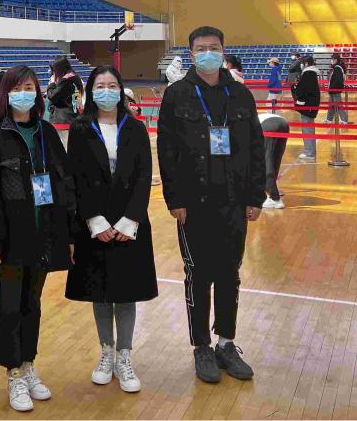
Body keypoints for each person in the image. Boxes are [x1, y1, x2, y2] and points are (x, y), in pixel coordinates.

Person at [156, 26, 265, 385]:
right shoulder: (177, 95)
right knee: (198, 275)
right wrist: (174, 199)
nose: (208, 53)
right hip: (194, 203)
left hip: (234, 201)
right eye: (201, 48)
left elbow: (255, 147)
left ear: (223, 51)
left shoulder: (241, 94)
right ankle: (201, 346)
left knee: (230, 274)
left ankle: (226, 343)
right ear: (191, 53)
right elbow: (167, 151)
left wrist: (255, 196)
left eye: (214, 48)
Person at [0, 65, 76, 412]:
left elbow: (63, 184)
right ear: (5, 93)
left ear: (38, 92)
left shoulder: (47, 133)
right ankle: (13, 372)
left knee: (33, 303)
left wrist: (67, 232)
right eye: (16, 88)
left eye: (29, 87)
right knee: (10, 305)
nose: (23, 93)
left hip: (43, 234)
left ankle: (29, 364)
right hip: (9, 238)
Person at [65, 66, 157, 394]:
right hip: (96, 226)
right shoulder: (80, 129)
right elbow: (75, 177)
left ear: (121, 90)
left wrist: (130, 220)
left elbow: (144, 176)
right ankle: (106, 352)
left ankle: (124, 356)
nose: (107, 90)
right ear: (91, 91)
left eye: (112, 85)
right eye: (100, 85)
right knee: (100, 293)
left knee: (126, 292)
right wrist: (94, 221)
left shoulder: (135, 127)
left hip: (129, 225)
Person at [290, 56, 321, 160]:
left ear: (306, 63)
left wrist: (295, 87)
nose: (301, 65)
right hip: (310, 105)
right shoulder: (311, 74)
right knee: (308, 128)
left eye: (302, 63)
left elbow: (301, 90)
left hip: (308, 105)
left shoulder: (308, 74)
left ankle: (309, 153)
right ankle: (310, 151)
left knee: (307, 129)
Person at [46, 57, 83, 137]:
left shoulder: (65, 81)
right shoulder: (76, 78)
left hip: (63, 121)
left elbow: (52, 96)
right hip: (75, 116)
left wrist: (51, 84)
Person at [258, 113, 289, 209]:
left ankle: (274, 198)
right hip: (283, 123)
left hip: (267, 126)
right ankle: (273, 189)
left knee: (267, 161)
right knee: (276, 159)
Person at [325, 53, 349, 125]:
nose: (331, 61)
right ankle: (329, 119)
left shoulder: (338, 68)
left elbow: (338, 80)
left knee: (338, 105)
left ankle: (344, 120)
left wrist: (332, 88)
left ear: (335, 60)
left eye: (332, 59)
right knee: (331, 105)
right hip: (332, 90)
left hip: (335, 90)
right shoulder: (336, 68)